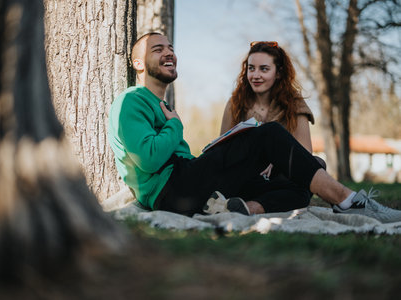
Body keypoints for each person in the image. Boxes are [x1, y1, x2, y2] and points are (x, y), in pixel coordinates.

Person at [107, 32, 401, 224]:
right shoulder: (130, 101)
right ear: (138, 63)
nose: (169, 52)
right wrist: (175, 126)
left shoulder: (160, 105)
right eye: (158, 49)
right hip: (171, 191)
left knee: (299, 182)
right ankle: (348, 200)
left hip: (192, 186)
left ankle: (247, 208)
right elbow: (148, 158)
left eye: (170, 47)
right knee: (270, 134)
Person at [217, 41, 321, 214]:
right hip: (246, 176)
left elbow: (305, 152)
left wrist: (277, 159)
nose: (255, 75)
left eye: (264, 69)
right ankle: (262, 203)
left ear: (278, 72)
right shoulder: (235, 103)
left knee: (318, 164)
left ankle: (254, 207)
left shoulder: (294, 103)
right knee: (301, 194)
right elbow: (221, 148)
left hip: (282, 177)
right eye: (251, 68)